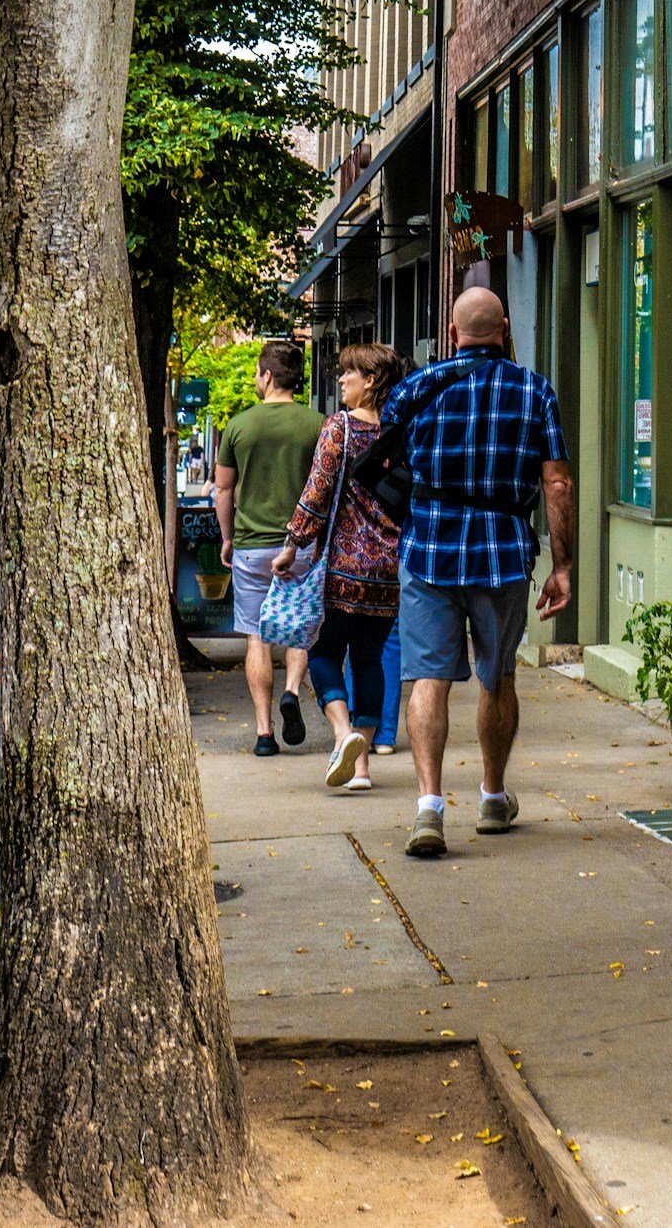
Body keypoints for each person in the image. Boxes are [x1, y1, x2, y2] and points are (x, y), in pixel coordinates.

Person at [375, 285, 572, 858]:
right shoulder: (535, 391)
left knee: (427, 680)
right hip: (502, 552)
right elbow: (556, 482)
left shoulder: (414, 390)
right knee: (497, 674)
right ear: (505, 329)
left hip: (429, 551)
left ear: (453, 334)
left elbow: (389, 466)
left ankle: (429, 808)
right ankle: (491, 796)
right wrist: (562, 566)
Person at [274, 342, 404, 792]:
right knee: (370, 660)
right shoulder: (400, 432)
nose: (342, 379)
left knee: (323, 654)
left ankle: (342, 733)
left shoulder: (340, 429)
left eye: (349, 373)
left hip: (343, 571)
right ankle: (361, 769)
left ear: (370, 380)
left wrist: (292, 544)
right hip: (389, 572)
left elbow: (317, 492)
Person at [216, 338, 322, 756]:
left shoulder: (240, 426)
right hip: (301, 546)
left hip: (250, 547)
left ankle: (264, 734)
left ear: (267, 375)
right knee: (299, 628)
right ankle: (292, 691)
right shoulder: (317, 425)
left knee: (257, 638)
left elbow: (223, 490)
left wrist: (227, 538)